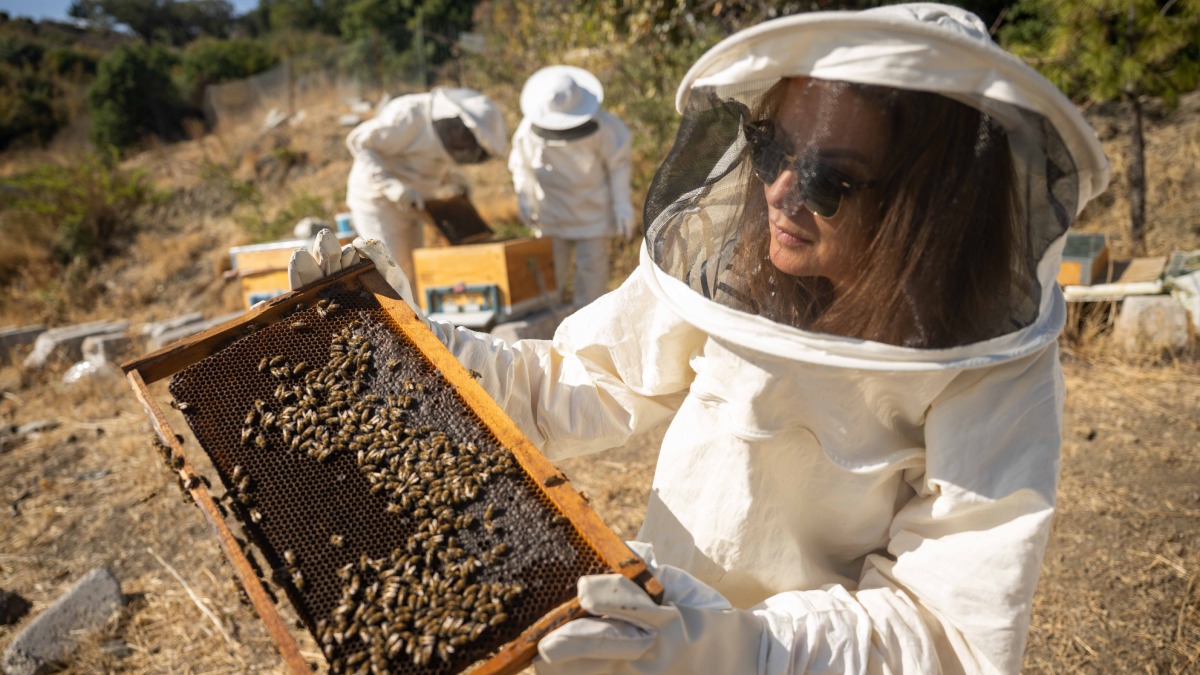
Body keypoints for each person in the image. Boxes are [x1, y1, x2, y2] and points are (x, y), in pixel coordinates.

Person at [290, 4, 1110, 673]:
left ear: (930, 203)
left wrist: (734, 648)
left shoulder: (991, 366)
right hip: (656, 628)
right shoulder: (730, 264)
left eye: (833, 178)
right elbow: (576, 380)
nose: (782, 192)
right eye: (771, 148)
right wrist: (401, 346)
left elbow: (946, 634)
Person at [343, 87, 507, 281]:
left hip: (415, 203)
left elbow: (426, 161)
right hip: (377, 203)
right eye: (466, 139)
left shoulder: (447, 138)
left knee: (414, 273)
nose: (463, 147)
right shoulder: (409, 114)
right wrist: (391, 186)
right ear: (456, 122)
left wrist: (451, 179)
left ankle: (415, 313)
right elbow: (359, 143)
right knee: (392, 274)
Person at [509, 65, 637, 309]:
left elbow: (619, 165)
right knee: (546, 287)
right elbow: (521, 165)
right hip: (551, 216)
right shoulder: (528, 129)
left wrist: (623, 205)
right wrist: (525, 199)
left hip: (593, 218)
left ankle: (587, 343)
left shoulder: (606, 126)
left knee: (591, 293)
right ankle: (549, 336)